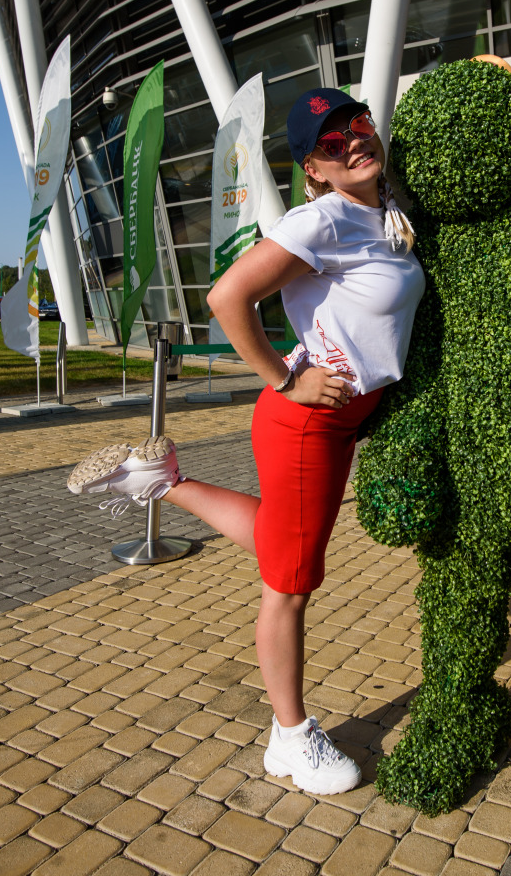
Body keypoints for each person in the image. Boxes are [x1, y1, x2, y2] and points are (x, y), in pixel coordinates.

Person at [67, 89, 424, 794]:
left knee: (282, 544)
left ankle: (160, 479)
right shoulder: (320, 219)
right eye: (328, 143)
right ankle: (290, 739)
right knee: (288, 585)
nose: (350, 142)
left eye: (356, 126)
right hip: (307, 420)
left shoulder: (382, 212)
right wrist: (283, 382)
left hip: (346, 414)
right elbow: (226, 297)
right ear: (312, 169)